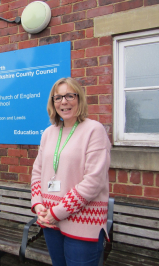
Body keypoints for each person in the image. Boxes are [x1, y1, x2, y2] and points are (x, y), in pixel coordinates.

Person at [31, 78, 111, 266]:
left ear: (79, 99)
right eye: (58, 97)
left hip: (82, 224)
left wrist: (57, 212)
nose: (63, 102)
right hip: (50, 222)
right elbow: (37, 171)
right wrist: (38, 204)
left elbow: (93, 182)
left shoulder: (94, 130)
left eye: (69, 96)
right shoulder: (48, 133)